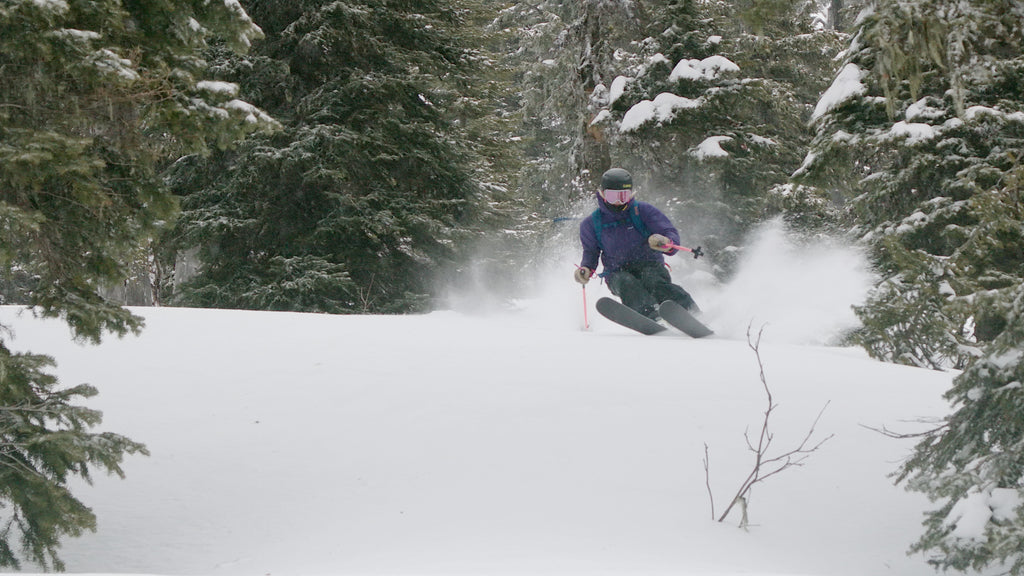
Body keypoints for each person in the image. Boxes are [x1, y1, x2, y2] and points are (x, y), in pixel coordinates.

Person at [574, 167, 698, 321]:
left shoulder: (643, 211)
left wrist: (665, 242)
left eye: (623, 196)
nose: (619, 202)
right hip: (616, 272)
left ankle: (690, 311)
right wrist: (586, 268)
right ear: (602, 194)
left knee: (654, 282)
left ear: (631, 194)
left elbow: (668, 231)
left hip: (650, 265)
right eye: (613, 196)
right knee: (627, 283)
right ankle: (650, 316)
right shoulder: (591, 223)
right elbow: (591, 252)